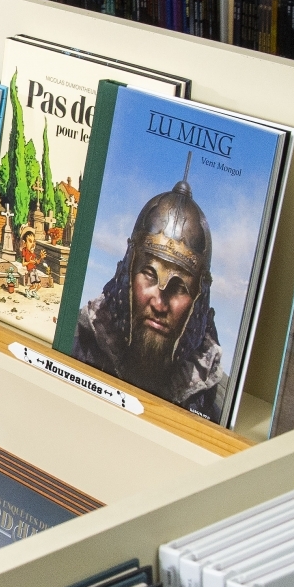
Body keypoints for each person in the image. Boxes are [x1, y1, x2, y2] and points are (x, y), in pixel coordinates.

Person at [71, 169, 226, 421]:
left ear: (197, 299)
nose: (159, 303)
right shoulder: (76, 344)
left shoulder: (209, 402)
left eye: (179, 288)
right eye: (150, 274)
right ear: (128, 273)